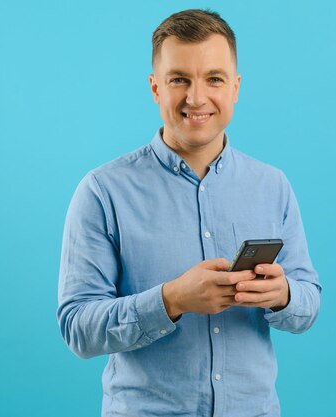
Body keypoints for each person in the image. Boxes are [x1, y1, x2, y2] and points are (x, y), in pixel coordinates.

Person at [57, 9, 321, 417]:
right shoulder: (103, 191)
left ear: (235, 88)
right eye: (179, 79)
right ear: (155, 88)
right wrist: (170, 300)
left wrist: (284, 296)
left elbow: (308, 302)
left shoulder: (273, 186)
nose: (196, 98)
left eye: (213, 79)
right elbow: (78, 329)